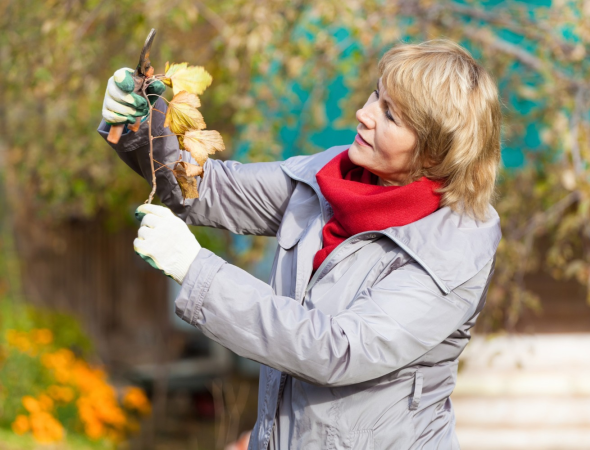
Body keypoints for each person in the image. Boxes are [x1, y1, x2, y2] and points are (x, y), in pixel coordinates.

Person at [98, 40, 502, 449]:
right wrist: (139, 123)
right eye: (377, 95)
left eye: (390, 115)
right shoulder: (330, 179)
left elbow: (337, 350)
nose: (364, 115)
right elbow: (209, 189)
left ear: (435, 154)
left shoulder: (452, 249)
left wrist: (196, 269)